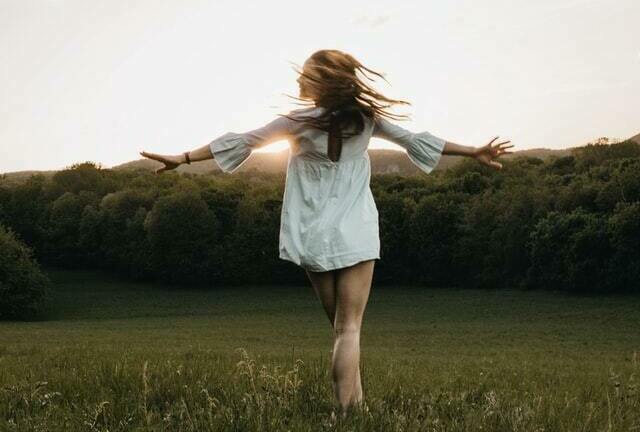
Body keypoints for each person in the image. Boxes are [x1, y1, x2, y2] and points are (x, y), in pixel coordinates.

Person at [140, 49, 513, 418]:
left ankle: (354, 410)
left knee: (341, 329)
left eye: (305, 74)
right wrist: (473, 151)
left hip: (311, 231)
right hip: (356, 230)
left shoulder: (295, 121)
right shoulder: (366, 118)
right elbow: (416, 140)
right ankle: (349, 413)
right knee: (348, 329)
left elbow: (242, 141)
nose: (299, 79)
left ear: (322, 80)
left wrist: (183, 158)